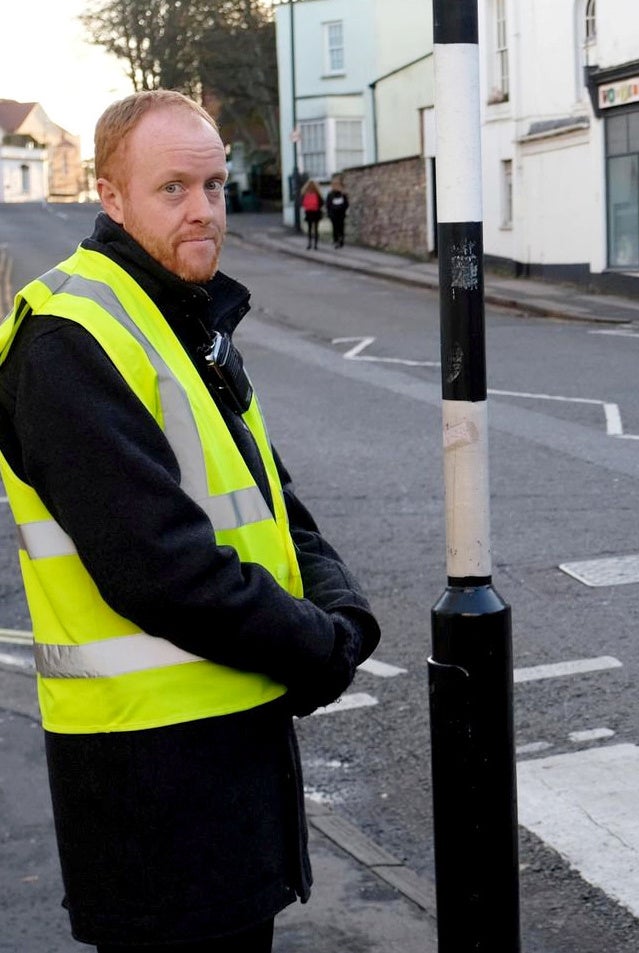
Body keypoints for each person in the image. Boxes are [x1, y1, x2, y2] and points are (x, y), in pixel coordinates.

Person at [0, 90, 380, 952]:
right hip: (150, 790)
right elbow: (160, 568)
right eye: (173, 188)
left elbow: (272, 500)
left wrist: (342, 604)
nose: (205, 210)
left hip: (223, 770)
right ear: (111, 196)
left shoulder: (183, 314)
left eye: (213, 185)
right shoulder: (72, 336)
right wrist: (321, 650)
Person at [325, 176, 350, 249]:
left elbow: (346, 204)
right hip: (334, 215)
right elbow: (328, 205)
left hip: (340, 215)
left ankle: (340, 240)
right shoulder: (330, 195)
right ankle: (337, 241)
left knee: (340, 228)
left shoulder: (343, 195)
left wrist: (343, 210)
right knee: (336, 228)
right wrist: (330, 213)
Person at [300, 178, 323, 249]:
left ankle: (309, 244)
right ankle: (315, 245)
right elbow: (321, 203)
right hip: (316, 213)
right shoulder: (318, 194)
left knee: (309, 229)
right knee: (316, 229)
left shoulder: (305, 193)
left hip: (309, 213)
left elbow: (302, 203)